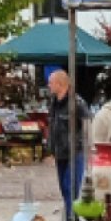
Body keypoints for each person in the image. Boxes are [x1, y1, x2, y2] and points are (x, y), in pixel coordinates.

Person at [46, 69, 80, 211]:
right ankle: (69, 216)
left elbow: (87, 124)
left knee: (70, 186)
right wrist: (50, 149)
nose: (48, 85)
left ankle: (72, 218)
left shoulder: (76, 103)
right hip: (60, 152)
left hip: (74, 152)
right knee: (64, 188)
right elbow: (52, 127)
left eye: (51, 83)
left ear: (60, 84)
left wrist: (79, 145)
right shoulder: (54, 103)